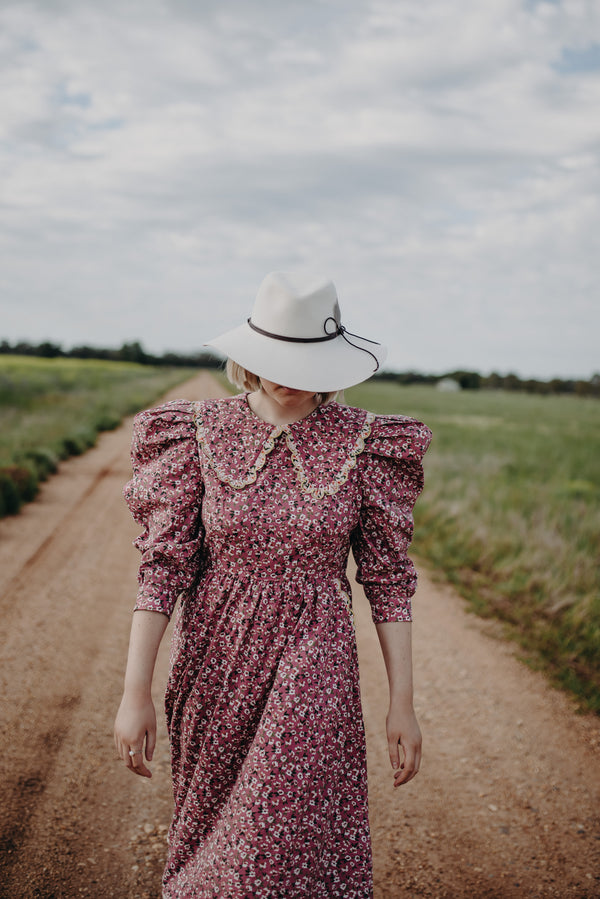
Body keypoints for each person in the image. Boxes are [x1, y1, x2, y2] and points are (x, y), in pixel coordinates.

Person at [114, 271, 432, 899]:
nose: (289, 376)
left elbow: (389, 583)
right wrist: (135, 692)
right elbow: (161, 572)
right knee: (211, 829)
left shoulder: (368, 445)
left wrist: (402, 704)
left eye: (308, 361)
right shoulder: (195, 434)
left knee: (278, 830)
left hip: (317, 654)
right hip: (216, 655)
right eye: (277, 357)